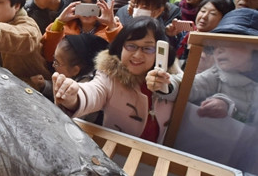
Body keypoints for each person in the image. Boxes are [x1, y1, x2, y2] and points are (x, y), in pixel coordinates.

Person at [52, 17, 181, 143]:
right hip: (118, 151)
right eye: (131, 46)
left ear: (159, 52)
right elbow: (93, 91)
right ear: (121, 47)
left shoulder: (170, 73)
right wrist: (74, 97)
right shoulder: (110, 75)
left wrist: (167, 87)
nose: (137, 55)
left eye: (147, 48)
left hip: (161, 152)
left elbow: (184, 85)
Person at [40, 0, 120, 64]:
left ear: (102, 7)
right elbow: (49, 56)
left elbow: (121, 56)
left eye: (93, 6)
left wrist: (112, 25)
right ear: (75, 5)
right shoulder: (64, 27)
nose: (88, 11)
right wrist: (59, 21)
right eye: (83, 5)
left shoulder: (110, 28)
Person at [32, 33, 109, 108]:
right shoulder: (78, 73)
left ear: (75, 70)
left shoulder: (86, 90)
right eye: (54, 59)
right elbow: (62, 90)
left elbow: (67, 109)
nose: (53, 65)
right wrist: (44, 85)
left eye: (57, 62)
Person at [177, 0, 235, 71]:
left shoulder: (221, 46)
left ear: (224, 19)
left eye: (213, 13)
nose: (204, 16)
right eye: (203, 11)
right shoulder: (188, 35)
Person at [116, 0, 180, 29]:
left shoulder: (165, 29)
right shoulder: (125, 17)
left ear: (159, 10)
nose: (138, 9)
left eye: (144, 7)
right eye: (136, 6)